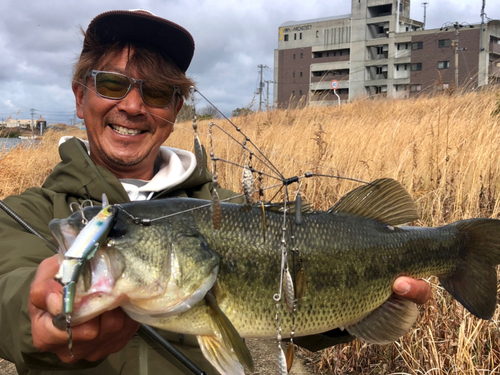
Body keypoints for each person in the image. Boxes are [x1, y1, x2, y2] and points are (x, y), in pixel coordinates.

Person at [0, 9, 432, 375]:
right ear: (80, 98)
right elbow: (8, 290)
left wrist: (363, 303)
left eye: (156, 93)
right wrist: (33, 309)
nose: (132, 106)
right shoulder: (26, 215)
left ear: (175, 111)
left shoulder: (230, 208)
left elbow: (282, 302)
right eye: (113, 84)